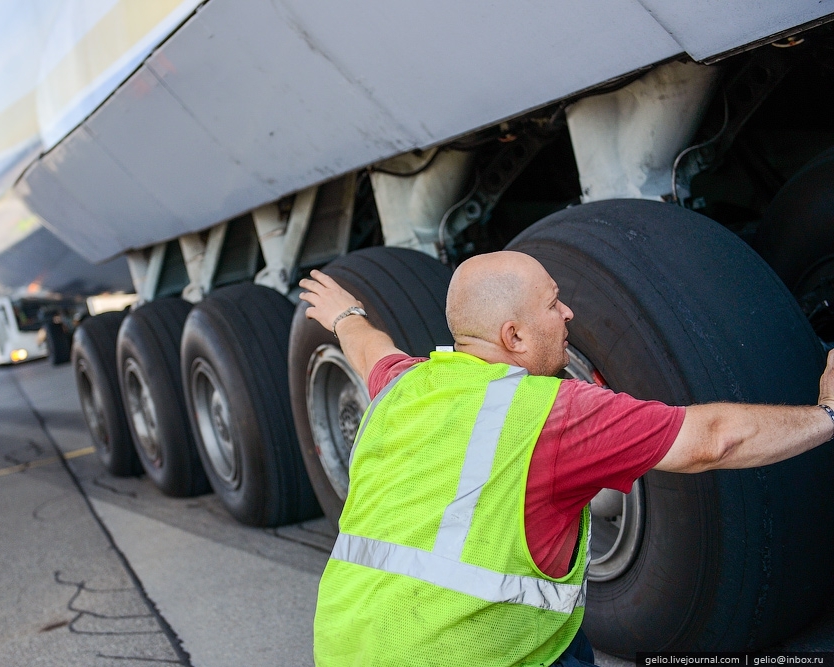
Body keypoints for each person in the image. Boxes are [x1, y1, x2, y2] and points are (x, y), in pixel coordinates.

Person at [299, 250, 834, 667]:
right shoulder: (552, 415)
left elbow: (369, 348)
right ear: (514, 336)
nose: (568, 313)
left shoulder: (404, 384)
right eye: (554, 304)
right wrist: (828, 414)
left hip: (346, 645)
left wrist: (346, 315)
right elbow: (713, 440)